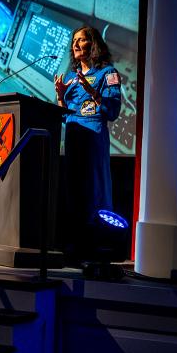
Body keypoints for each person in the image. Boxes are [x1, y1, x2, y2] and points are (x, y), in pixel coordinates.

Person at [53, 25, 123, 257]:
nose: (74, 45)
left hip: (93, 140)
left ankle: (95, 246)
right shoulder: (71, 78)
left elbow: (112, 111)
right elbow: (65, 116)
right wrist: (60, 97)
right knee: (73, 191)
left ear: (93, 44)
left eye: (80, 40)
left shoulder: (108, 73)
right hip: (73, 140)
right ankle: (74, 245)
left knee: (93, 190)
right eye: (73, 40)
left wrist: (93, 92)